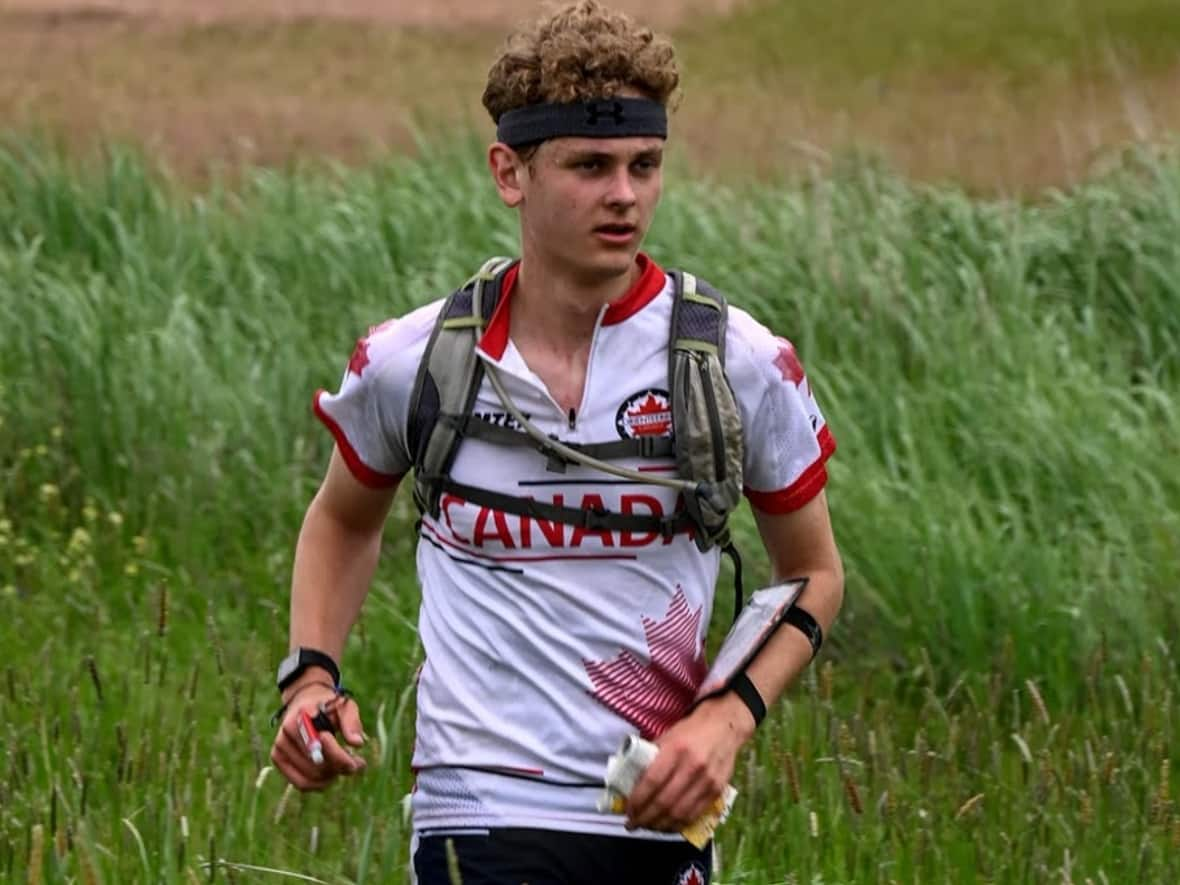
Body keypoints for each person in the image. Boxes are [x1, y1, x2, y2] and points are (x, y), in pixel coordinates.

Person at [269, 2, 843, 882]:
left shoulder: (737, 361)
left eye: (645, 166)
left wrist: (724, 722)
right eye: (589, 166)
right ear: (511, 172)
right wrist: (312, 678)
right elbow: (345, 521)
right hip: (477, 809)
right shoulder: (415, 361)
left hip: (657, 809)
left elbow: (813, 573)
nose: (625, 195)